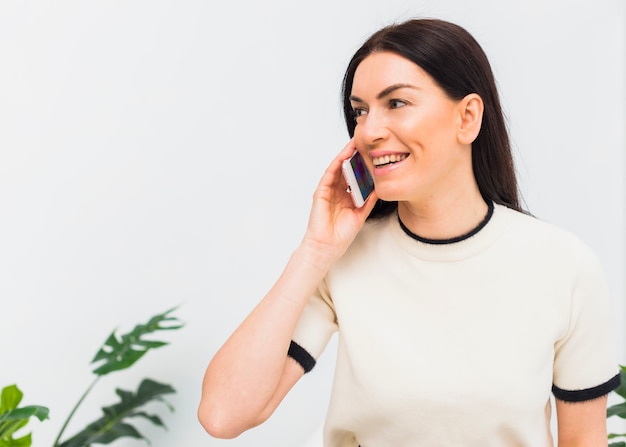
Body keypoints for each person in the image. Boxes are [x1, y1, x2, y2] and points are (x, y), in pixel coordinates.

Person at [198, 18, 621, 446]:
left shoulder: (563, 266)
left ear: (468, 118)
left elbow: (584, 441)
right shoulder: (342, 261)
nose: (369, 131)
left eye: (396, 103)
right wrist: (314, 251)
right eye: (360, 111)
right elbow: (223, 415)